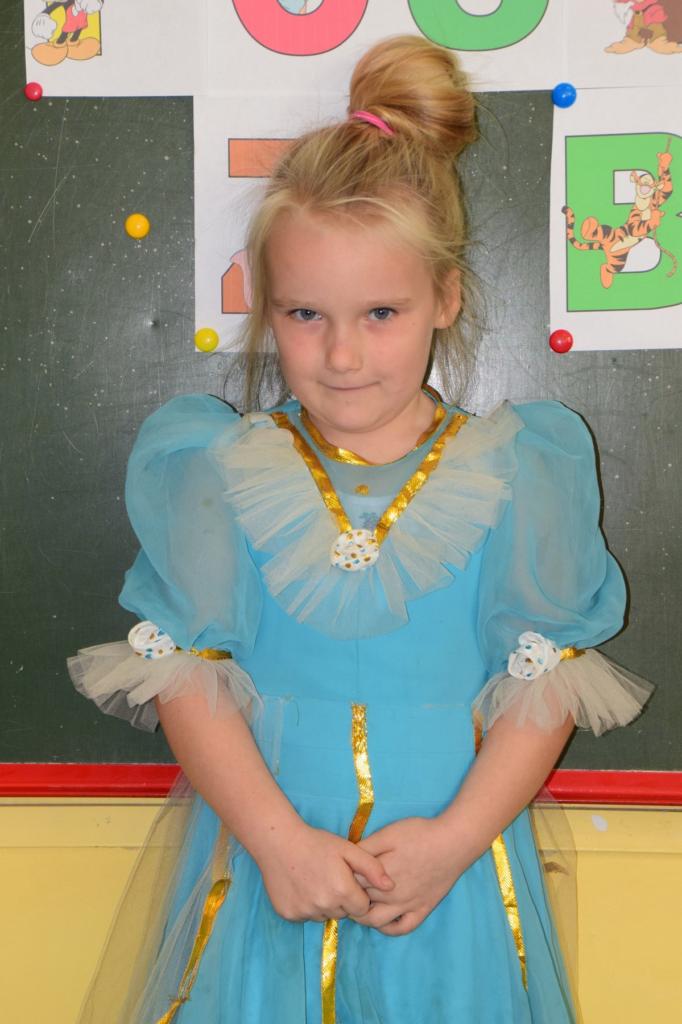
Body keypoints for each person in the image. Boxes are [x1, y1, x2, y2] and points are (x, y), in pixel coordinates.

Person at [68, 34, 654, 1024]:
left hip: (449, 885)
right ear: (266, 307)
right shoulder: (214, 468)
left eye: (380, 312)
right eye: (306, 314)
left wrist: (450, 845)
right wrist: (278, 844)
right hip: (265, 875)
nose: (341, 354)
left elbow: (542, 685)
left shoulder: (520, 471)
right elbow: (187, 676)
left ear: (445, 299)